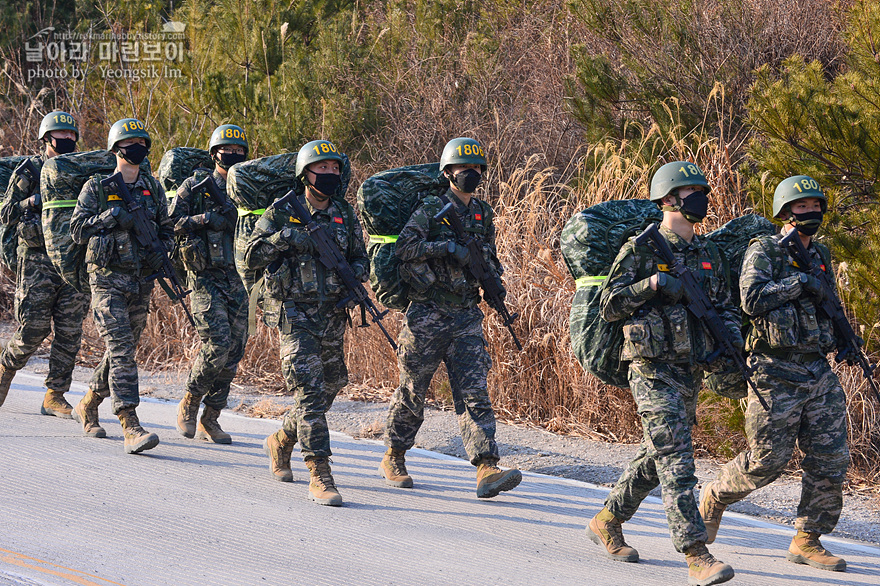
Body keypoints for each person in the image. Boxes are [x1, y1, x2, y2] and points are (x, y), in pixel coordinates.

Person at [588, 161, 737, 586]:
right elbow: (609, 304)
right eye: (692, 191)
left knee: (657, 456)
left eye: (701, 191)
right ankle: (696, 554)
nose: (701, 198)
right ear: (669, 199)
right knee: (675, 456)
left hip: (689, 368)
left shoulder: (709, 253)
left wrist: (727, 341)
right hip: (651, 368)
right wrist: (651, 285)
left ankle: (608, 518)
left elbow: (722, 304)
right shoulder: (641, 249)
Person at [699, 175, 850, 572]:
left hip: (816, 367)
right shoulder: (765, 249)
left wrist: (844, 338)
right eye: (802, 207)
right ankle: (715, 492)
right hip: (773, 368)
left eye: (816, 205)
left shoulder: (821, 253)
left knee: (831, 458)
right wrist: (799, 282)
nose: (811, 212)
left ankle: (808, 538)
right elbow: (751, 299)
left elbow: (827, 301)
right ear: (785, 212)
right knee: (767, 460)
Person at [379, 137, 522, 499]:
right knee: (414, 391)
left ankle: (486, 466)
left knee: (474, 391)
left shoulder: (483, 213)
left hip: (465, 315)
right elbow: (405, 248)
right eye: (464, 169)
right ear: (448, 173)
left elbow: (486, 253)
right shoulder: (431, 207)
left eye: (476, 170)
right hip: (428, 313)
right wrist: (446, 247)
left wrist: (493, 286)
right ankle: (394, 455)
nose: (471, 175)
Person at [246, 139, 367, 506]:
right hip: (295, 315)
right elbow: (250, 256)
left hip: (331, 315)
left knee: (334, 382)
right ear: (305, 173)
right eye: (322, 168)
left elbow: (361, 258)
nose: (329, 174)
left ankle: (281, 439)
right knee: (311, 393)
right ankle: (320, 473)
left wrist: (354, 279)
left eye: (334, 168)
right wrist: (287, 238)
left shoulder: (344, 214)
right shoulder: (282, 212)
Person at [70, 118, 172, 454]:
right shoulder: (97, 187)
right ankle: (130, 423)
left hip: (140, 282)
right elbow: (77, 230)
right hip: (107, 279)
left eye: (142, 142)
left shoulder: (153, 188)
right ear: (117, 149)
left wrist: (162, 251)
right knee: (122, 347)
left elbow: (167, 228)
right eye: (130, 143)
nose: (137, 148)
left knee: (121, 351)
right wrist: (111, 217)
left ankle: (87, 403)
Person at [0, 111, 90, 416]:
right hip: (37, 259)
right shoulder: (29, 170)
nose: (66, 140)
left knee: (70, 329)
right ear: (46, 138)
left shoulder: (80, 170)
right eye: (60, 135)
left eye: (71, 136)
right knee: (32, 330)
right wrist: (30, 202)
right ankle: (5, 369)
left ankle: (55, 394)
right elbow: (6, 212)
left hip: (72, 258)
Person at [170, 124, 249, 444]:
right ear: (214, 153)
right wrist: (204, 220)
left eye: (240, 151)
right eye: (227, 150)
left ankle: (211, 417)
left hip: (239, 279)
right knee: (217, 344)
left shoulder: (247, 188)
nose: (233, 155)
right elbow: (170, 223)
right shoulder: (195, 186)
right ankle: (189, 401)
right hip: (205, 278)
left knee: (234, 352)